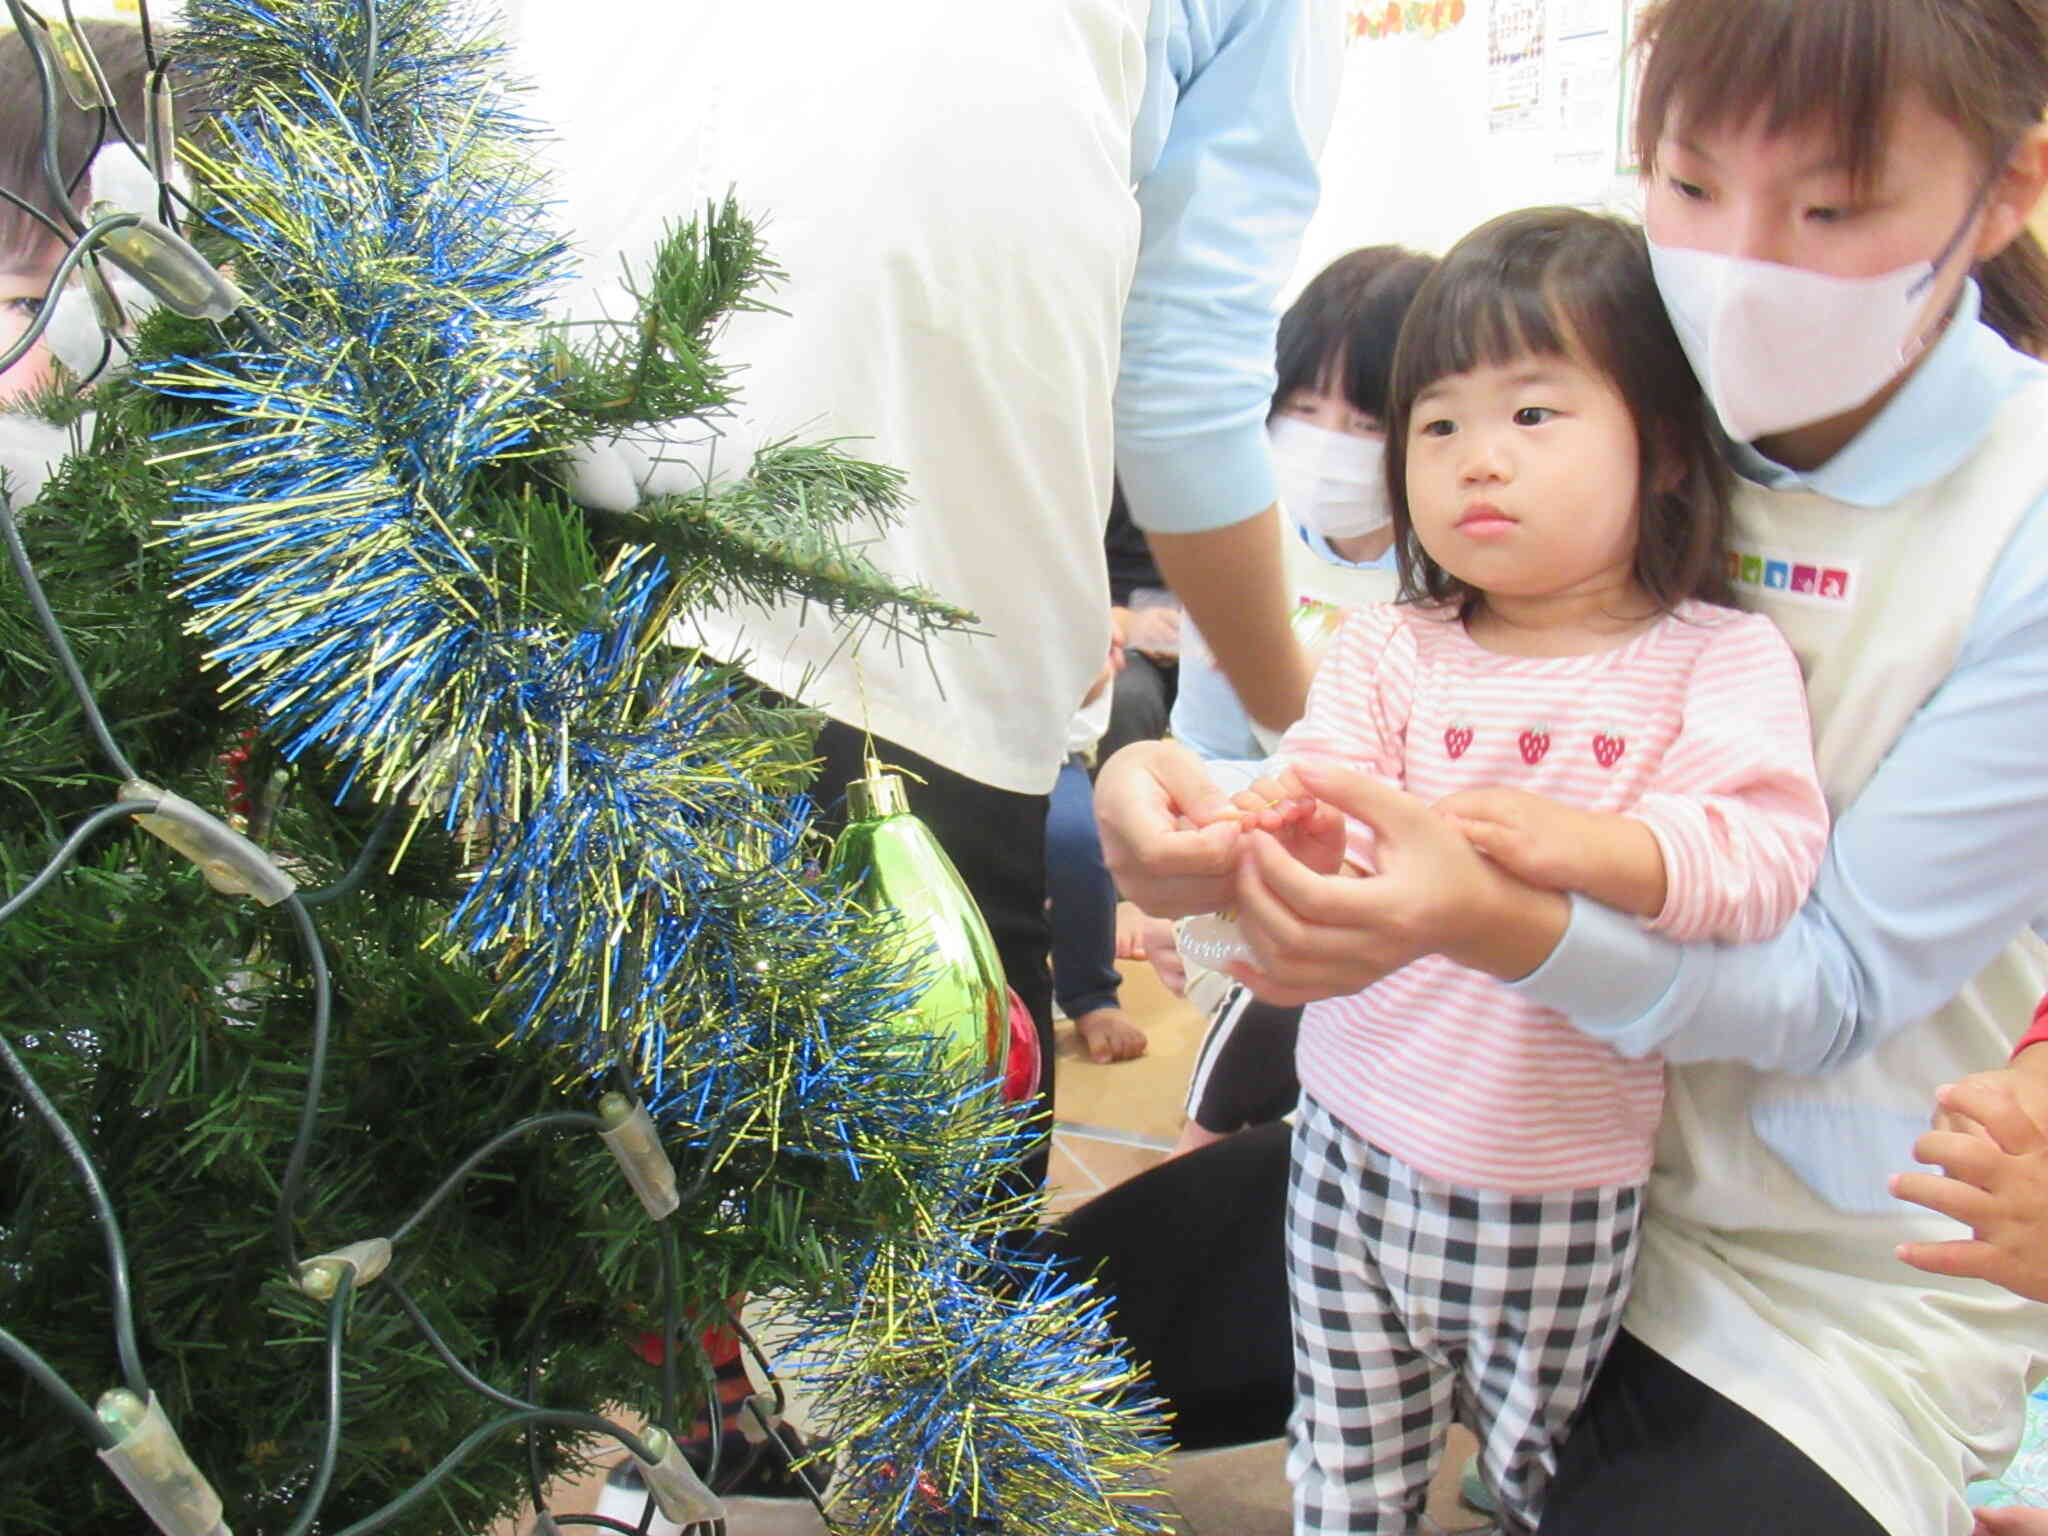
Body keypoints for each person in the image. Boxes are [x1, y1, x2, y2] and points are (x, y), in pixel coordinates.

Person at [1093, 1, 2048, 1531]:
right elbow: (1361, 704)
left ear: (2002, 191)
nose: (1740, 259)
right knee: (994, 1338)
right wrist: (1185, 794)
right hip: (1445, 1141)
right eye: (1687, 184)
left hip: (1805, 1282)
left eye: (1832, 206)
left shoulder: (2016, 524)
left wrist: (1497, 913)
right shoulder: (1615, 366)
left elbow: (1837, 981)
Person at [510, 0, 1340, 1205]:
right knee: (936, 1275)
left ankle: (703, 1387)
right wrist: (1305, 734)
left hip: (519, 563)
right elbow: (1178, 391)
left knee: (599, 1163)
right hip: (905, 640)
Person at [1127, 206, 1830, 1535]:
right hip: (1344, 1144)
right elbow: (1316, 784)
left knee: (1535, 1472)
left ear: (1665, 445)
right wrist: (1243, 844)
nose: (1475, 462)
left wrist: (1597, 850)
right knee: (1347, 1456)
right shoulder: (1397, 646)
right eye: (1439, 425)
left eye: (1533, 415)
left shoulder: (1713, 659)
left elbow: (1765, 853)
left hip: (1552, 1182)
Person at [1160, 243, 1433, 1156]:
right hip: (1257, 881)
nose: (1325, 442)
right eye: (1302, 410)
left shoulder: (1455, 573)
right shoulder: (1252, 548)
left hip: (1397, 916)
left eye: (1362, 420)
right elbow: (1203, 742)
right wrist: (1193, 883)